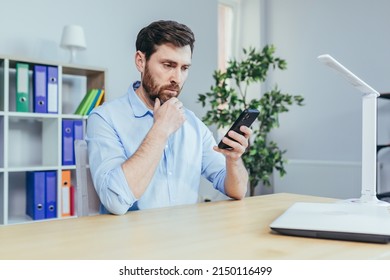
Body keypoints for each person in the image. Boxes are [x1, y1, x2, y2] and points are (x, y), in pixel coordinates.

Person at [86, 20, 252, 215]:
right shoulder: (104, 118)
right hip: (131, 242)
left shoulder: (192, 123)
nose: (177, 78)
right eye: (168, 65)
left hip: (185, 238)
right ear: (141, 61)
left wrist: (233, 160)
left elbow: (238, 190)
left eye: (184, 68)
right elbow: (115, 201)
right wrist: (161, 129)